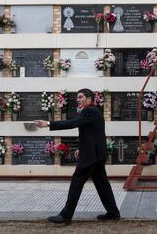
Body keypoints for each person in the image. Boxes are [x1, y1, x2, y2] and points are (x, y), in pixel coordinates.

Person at [35, 88, 120, 225]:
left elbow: (72, 123)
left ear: (89, 99)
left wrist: (48, 124)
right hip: (96, 154)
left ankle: (65, 216)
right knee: (102, 184)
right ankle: (113, 213)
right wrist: (81, 148)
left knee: (76, 184)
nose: (78, 100)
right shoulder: (95, 111)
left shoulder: (89, 111)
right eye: (78, 97)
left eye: (80, 97)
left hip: (91, 157)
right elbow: (92, 133)